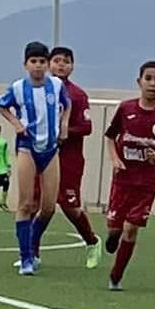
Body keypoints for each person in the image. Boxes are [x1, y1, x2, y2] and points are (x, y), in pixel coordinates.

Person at [103, 61, 155, 290]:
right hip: (124, 179)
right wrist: (115, 159)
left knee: (131, 227)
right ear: (139, 82)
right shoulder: (126, 109)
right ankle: (112, 235)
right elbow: (110, 137)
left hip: (147, 182)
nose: (152, 83)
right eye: (148, 78)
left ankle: (116, 276)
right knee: (116, 228)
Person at [0, 41, 70, 276]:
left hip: (50, 149)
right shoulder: (18, 88)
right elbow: (2, 106)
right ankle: (26, 257)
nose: (38, 66)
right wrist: (17, 124)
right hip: (27, 147)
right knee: (26, 203)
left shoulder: (56, 85)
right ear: (26, 64)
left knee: (48, 207)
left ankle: (31, 244)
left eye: (42, 62)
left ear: (47, 65)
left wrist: (64, 125)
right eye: (33, 62)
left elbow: (67, 105)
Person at [49, 46, 103, 269]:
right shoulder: (38, 91)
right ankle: (30, 255)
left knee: (70, 206)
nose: (61, 64)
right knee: (36, 205)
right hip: (42, 157)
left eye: (66, 61)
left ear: (72, 66)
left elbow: (86, 127)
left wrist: (63, 133)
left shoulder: (78, 95)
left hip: (69, 159)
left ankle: (91, 241)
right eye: (57, 60)